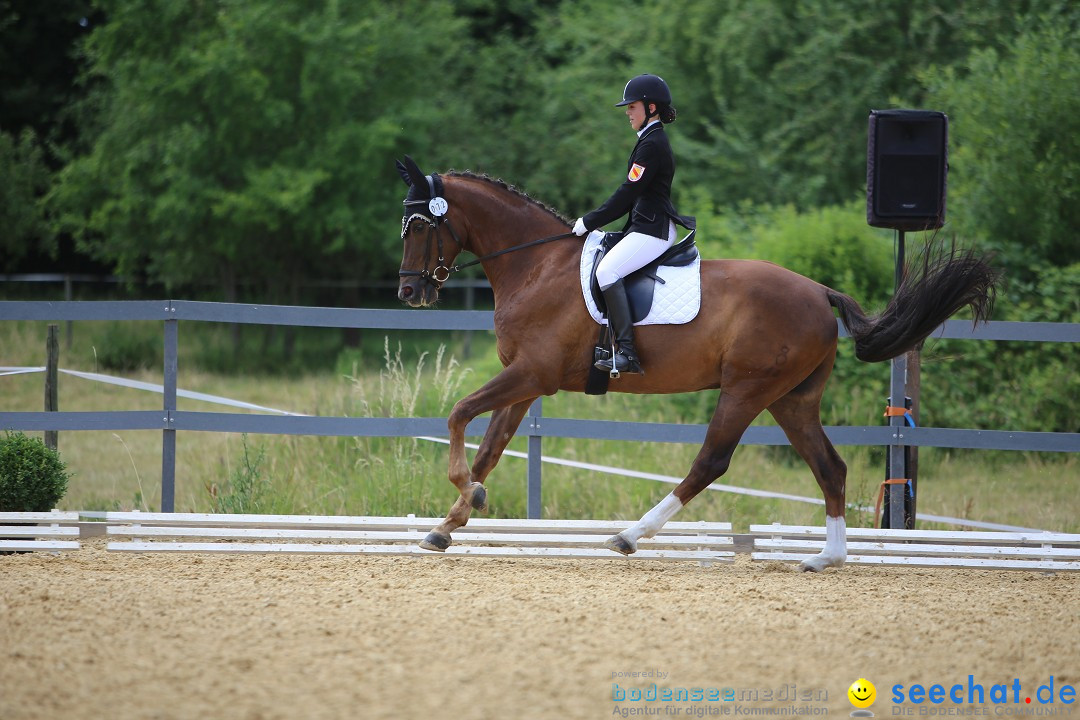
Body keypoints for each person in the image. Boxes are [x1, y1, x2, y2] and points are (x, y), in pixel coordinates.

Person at [572, 73, 695, 375]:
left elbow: (628, 193)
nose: (627, 112)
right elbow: (630, 196)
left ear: (651, 108)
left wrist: (589, 221)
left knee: (607, 271)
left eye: (632, 106)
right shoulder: (648, 140)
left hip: (653, 230)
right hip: (643, 226)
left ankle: (627, 353)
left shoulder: (652, 144)